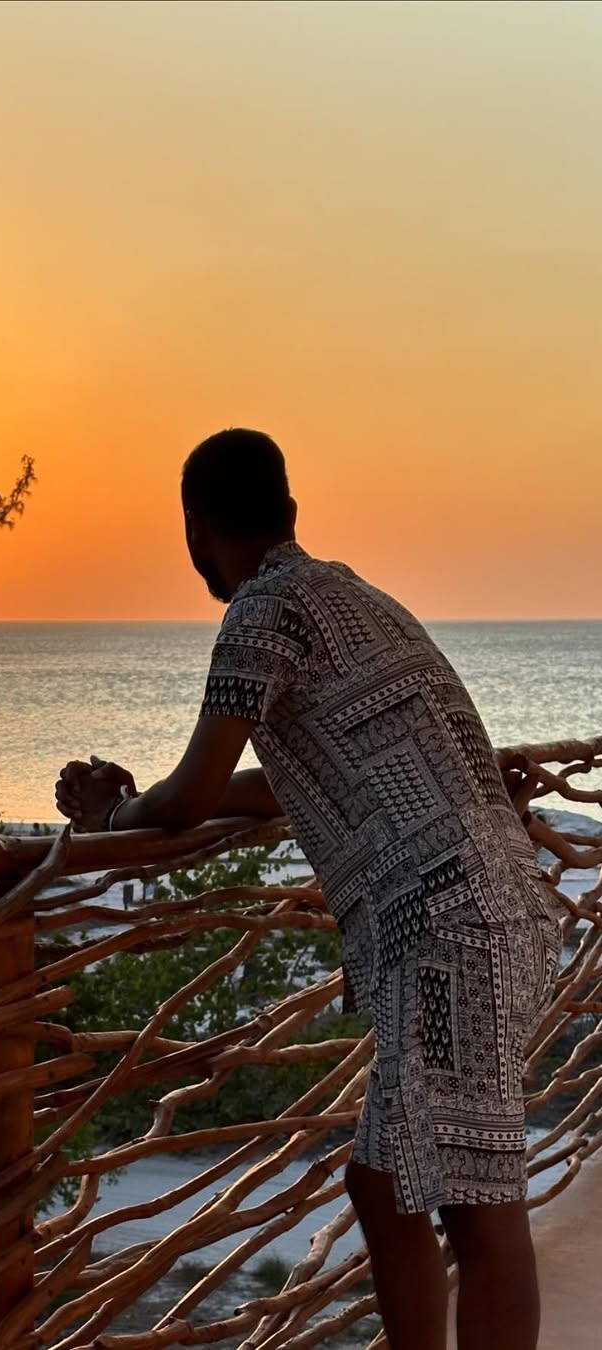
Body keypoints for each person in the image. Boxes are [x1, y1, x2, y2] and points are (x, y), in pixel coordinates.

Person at [55, 429, 563, 1350]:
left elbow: (197, 794)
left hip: (450, 928)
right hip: (497, 909)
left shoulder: (261, 611)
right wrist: (141, 801)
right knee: (386, 1182)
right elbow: (274, 780)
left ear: (195, 528)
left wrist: (113, 819)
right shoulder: (355, 600)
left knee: (479, 1207)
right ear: (288, 512)